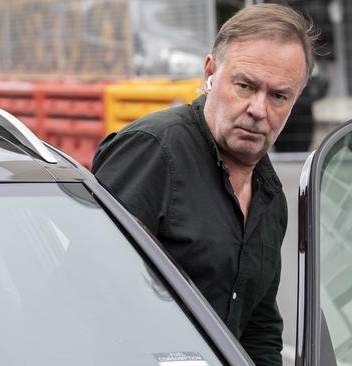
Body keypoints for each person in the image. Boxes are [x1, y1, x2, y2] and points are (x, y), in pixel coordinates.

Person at [92, 4, 317, 365]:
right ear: (211, 72)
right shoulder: (153, 152)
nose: (258, 109)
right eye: (245, 86)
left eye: (278, 96)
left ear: (295, 99)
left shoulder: (270, 195)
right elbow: (86, 293)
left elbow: (259, 329)